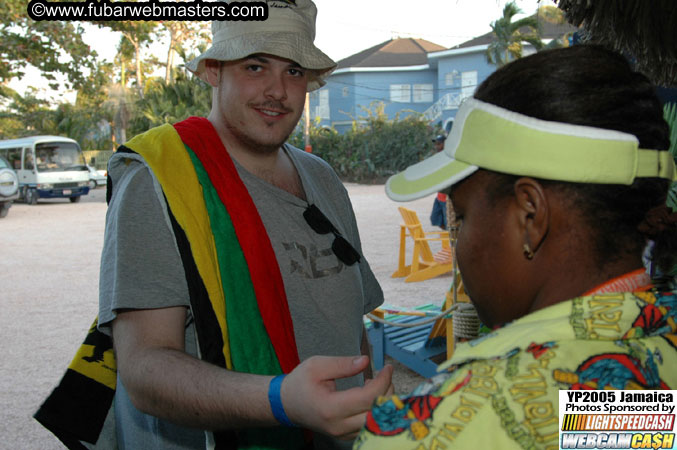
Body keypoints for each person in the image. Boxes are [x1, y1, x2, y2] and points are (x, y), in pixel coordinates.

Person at [34, 1, 392, 449]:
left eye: (295, 71)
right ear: (213, 70)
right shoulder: (159, 181)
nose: (278, 91)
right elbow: (145, 367)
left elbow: (348, 319)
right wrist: (279, 400)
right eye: (256, 66)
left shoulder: (321, 176)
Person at [354, 45, 677, 449]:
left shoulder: (448, 420)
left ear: (530, 215)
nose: (460, 242)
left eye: (464, 216)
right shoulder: (638, 371)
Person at [429, 135, 448, 229]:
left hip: (446, 199)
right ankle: (448, 236)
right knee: (434, 219)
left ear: (446, 144)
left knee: (449, 224)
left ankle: (451, 240)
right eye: (436, 144)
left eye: (439, 144)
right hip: (439, 197)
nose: (437, 146)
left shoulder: (448, 157)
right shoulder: (438, 157)